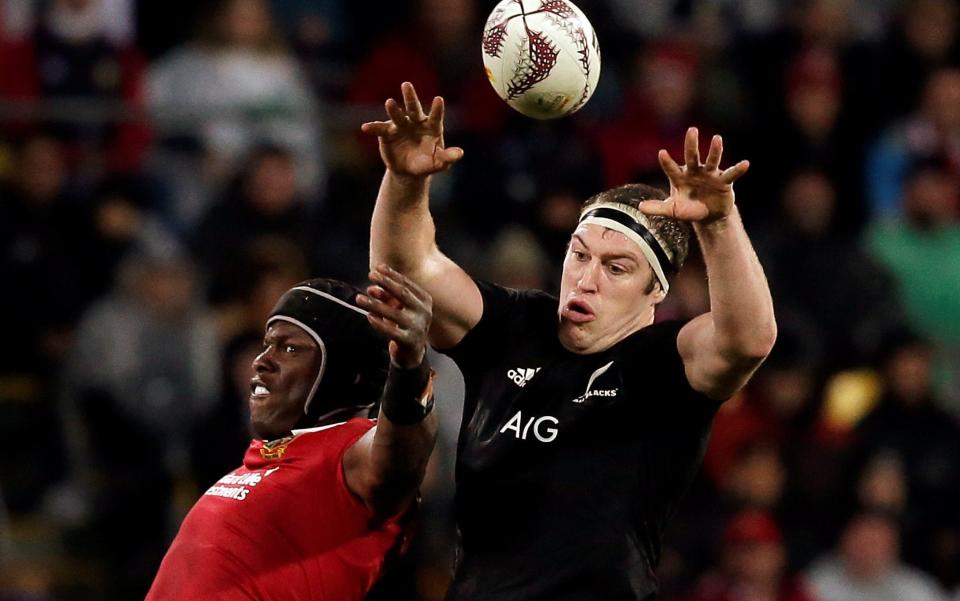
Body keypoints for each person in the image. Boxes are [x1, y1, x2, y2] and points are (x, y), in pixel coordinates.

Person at [361, 82, 777, 600]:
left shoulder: (665, 365)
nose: (587, 279)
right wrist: (404, 180)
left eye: (616, 268)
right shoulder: (513, 327)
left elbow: (750, 339)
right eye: (579, 256)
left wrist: (718, 222)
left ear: (656, 292)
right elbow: (402, 273)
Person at [146, 265, 439, 600]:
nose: (261, 361)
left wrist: (409, 366)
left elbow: (403, 457)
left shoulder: (350, 448)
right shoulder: (266, 458)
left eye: (289, 348)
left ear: (345, 375)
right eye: (266, 344)